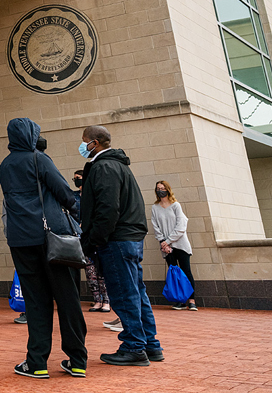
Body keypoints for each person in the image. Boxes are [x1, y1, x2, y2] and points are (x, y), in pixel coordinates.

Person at [0, 118, 87, 379]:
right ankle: (77, 360)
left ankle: (37, 362)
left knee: (36, 302)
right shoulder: (39, 159)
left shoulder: (4, 166)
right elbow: (64, 193)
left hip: (21, 240)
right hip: (52, 238)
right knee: (68, 298)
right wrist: (77, 213)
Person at [78, 124, 162, 367]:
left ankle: (134, 346)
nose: (82, 146)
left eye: (84, 141)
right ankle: (149, 344)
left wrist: (92, 241)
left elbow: (107, 209)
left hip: (116, 240)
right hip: (128, 238)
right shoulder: (118, 165)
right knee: (136, 292)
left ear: (94, 143)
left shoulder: (104, 167)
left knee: (124, 295)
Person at [152, 180, 197, 311]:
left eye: (162, 188)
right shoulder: (155, 208)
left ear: (168, 190)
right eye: (158, 188)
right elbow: (155, 226)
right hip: (166, 247)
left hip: (180, 244)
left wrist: (168, 241)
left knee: (186, 272)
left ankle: (192, 300)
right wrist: (163, 242)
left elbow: (181, 226)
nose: (160, 191)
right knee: (174, 274)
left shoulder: (176, 205)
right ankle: (180, 301)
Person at [73, 169, 110, 313]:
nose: (77, 181)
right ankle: (97, 300)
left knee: (101, 271)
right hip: (82, 237)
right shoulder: (74, 196)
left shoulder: (94, 194)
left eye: (78, 178)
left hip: (95, 236)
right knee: (90, 271)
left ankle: (106, 301)